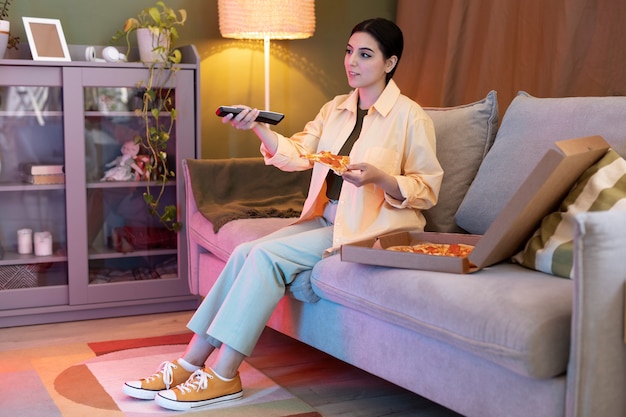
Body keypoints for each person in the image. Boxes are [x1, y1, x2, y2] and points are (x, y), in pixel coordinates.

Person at [123, 17, 443, 411]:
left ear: (390, 63)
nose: (352, 62)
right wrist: (258, 127)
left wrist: (382, 179)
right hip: (328, 218)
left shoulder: (412, 118)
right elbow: (298, 154)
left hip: (372, 228)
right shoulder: (336, 110)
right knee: (243, 252)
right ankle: (189, 362)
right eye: (348, 51)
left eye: (365, 55)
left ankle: (224, 375)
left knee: (264, 256)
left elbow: (426, 190)